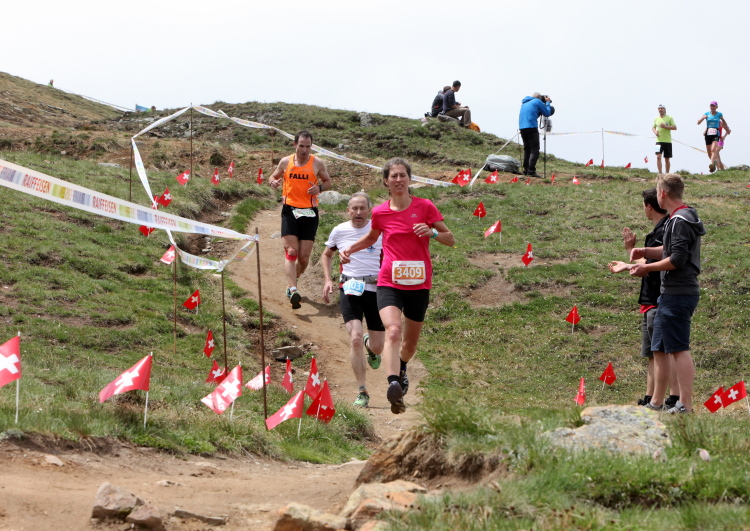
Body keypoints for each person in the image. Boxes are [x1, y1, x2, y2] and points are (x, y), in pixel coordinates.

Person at [340, 158, 455, 414]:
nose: (399, 179)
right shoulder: (380, 212)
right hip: (389, 282)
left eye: (403, 175)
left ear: (409, 179)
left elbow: (450, 239)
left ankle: (402, 367)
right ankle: (393, 383)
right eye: (394, 176)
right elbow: (371, 237)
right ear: (386, 181)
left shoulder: (425, 207)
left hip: (419, 284)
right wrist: (349, 249)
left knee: (409, 346)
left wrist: (433, 233)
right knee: (393, 330)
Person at [630, 174, 705, 414]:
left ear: (662, 193)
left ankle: (685, 405)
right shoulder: (678, 218)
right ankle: (656, 403)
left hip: (679, 292)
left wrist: (647, 268)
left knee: (679, 349)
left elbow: (678, 259)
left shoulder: (680, 220)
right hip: (669, 293)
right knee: (661, 348)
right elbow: (670, 250)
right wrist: (644, 251)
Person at [608, 188, 680, 408]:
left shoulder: (664, 230)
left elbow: (655, 266)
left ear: (649, 206)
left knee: (665, 351)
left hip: (659, 298)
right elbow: (649, 265)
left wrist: (629, 259)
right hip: (650, 299)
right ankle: (651, 397)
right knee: (653, 352)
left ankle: (673, 398)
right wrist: (631, 253)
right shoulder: (659, 230)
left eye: (643, 206)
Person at [321, 192, 385, 408]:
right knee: (354, 337)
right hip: (349, 287)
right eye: (354, 208)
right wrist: (328, 280)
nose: (358, 212)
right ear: (347, 210)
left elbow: (392, 253)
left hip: (376, 289)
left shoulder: (378, 229)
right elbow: (326, 254)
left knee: (377, 347)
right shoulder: (339, 230)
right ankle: (362, 391)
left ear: (369, 210)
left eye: (362, 208)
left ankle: (370, 345)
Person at [268, 130, 332, 309]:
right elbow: (273, 176)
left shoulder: (317, 163)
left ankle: (294, 279)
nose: (304, 150)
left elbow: (328, 182)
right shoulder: (285, 161)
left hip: (309, 212)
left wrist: (319, 188)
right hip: (290, 210)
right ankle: (293, 289)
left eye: (308, 146)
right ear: (295, 144)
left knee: (303, 258)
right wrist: (273, 182)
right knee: (291, 251)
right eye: (301, 146)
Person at [518, 93, 553, 178]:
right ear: (539, 98)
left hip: (522, 127)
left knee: (527, 149)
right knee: (535, 149)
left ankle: (526, 170)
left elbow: (533, 113)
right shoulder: (537, 101)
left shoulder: (525, 103)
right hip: (531, 127)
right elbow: (547, 113)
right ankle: (531, 171)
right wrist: (547, 103)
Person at [697, 101, 731, 173]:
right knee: (711, 154)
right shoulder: (706, 114)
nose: (712, 107)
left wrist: (724, 135)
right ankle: (719, 168)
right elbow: (699, 123)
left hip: (718, 137)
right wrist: (703, 118)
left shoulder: (719, 117)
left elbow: (727, 128)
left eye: (714, 106)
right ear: (710, 107)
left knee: (714, 151)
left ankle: (713, 165)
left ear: (716, 107)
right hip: (708, 135)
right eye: (711, 106)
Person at [652, 105, 676, 174]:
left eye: (661, 108)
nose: (660, 110)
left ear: (664, 109)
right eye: (659, 108)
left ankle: (667, 174)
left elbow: (675, 127)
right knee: (658, 157)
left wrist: (666, 127)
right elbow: (653, 127)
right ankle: (660, 173)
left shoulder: (669, 118)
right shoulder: (656, 119)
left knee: (667, 159)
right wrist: (655, 132)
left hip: (667, 141)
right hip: (658, 141)